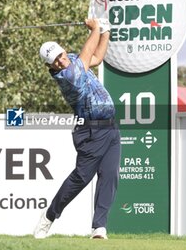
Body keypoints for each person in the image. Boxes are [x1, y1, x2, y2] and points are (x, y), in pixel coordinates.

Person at [34, 18, 121, 240]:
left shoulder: (72, 59)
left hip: (110, 127)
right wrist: (94, 29)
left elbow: (97, 58)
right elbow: (85, 55)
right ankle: (49, 216)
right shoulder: (66, 76)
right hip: (90, 131)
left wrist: (105, 32)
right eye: (55, 61)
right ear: (50, 67)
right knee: (81, 178)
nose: (61, 61)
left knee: (109, 175)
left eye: (61, 55)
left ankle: (99, 227)